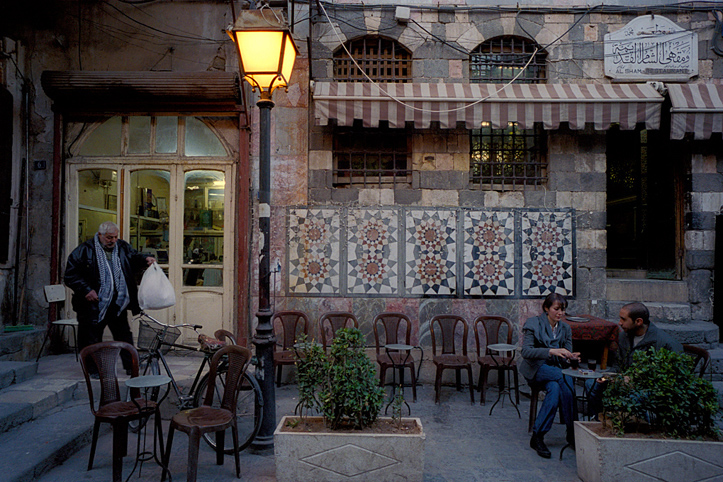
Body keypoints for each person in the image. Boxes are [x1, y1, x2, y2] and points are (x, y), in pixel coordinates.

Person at [64, 221, 155, 375]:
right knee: (91, 338)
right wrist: (86, 290)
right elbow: (70, 275)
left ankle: (131, 366)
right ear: (99, 235)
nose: (113, 240)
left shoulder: (122, 247)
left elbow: (133, 257)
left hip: (117, 303)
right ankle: (92, 370)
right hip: (93, 305)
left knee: (124, 335)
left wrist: (145, 259)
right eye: (109, 238)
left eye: (115, 237)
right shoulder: (84, 250)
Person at [587, 302, 683, 417]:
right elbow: (618, 365)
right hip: (623, 382)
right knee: (591, 383)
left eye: (623, 319)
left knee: (636, 397)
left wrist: (634, 380)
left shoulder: (665, 343)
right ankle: (599, 420)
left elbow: (673, 378)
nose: (620, 323)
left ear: (638, 322)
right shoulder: (624, 337)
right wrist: (608, 376)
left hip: (648, 388)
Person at [519, 292, 580, 459]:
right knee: (565, 378)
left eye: (563, 310)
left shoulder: (565, 328)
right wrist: (551, 351)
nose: (560, 313)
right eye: (556, 309)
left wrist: (571, 357)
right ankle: (572, 431)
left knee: (556, 388)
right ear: (546, 308)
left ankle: (537, 436)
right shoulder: (534, 324)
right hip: (536, 369)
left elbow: (567, 356)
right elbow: (526, 351)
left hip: (555, 373)